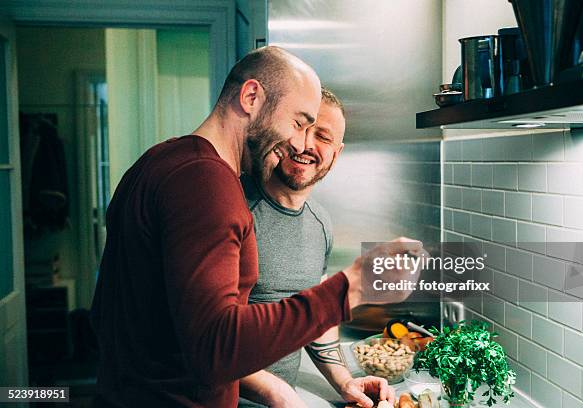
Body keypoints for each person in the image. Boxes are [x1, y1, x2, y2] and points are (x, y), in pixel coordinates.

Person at [91, 46, 421, 408]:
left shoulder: (162, 160)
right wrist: (352, 287)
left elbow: (113, 313)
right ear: (251, 97)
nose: (298, 142)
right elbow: (215, 347)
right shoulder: (206, 184)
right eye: (298, 122)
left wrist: (341, 377)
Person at [239, 88, 390, 408]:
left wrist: (345, 381)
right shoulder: (235, 209)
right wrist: (276, 392)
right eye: (299, 128)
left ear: (337, 152)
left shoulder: (319, 223)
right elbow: (200, 335)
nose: (306, 144)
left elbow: (314, 319)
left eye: (322, 136)